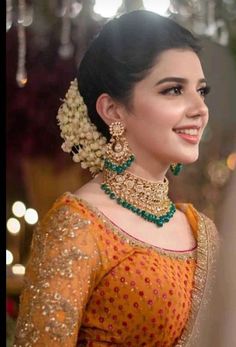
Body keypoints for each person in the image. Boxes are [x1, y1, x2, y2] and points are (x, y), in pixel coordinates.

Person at [13, 10, 219, 347]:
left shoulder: (203, 232)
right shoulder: (78, 226)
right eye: (173, 91)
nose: (199, 108)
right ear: (112, 110)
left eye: (202, 90)